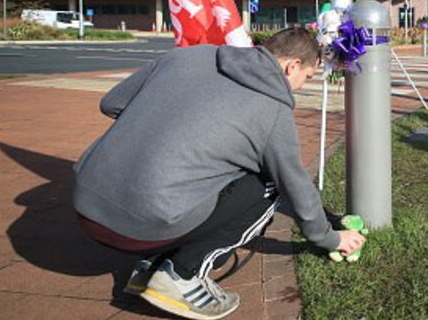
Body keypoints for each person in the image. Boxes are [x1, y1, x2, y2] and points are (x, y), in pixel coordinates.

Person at [73, 28, 365, 319]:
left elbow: (111, 103)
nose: (301, 87)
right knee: (268, 184)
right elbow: (294, 186)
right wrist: (330, 239)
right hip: (140, 228)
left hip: (85, 205)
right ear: (293, 66)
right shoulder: (273, 111)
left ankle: (149, 267)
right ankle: (181, 274)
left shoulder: (185, 57)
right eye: (308, 77)